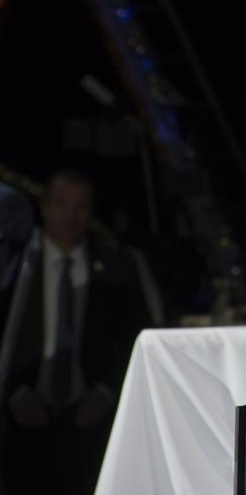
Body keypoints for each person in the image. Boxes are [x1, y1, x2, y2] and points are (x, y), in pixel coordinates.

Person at [0, 169, 151, 495]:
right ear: (44, 206)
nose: (71, 215)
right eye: (61, 203)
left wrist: (106, 391)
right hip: (24, 422)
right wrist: (12, 391)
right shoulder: (16, 266)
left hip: (89, 423)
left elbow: (136, 338)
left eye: (81, 206)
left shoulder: (116, 267)